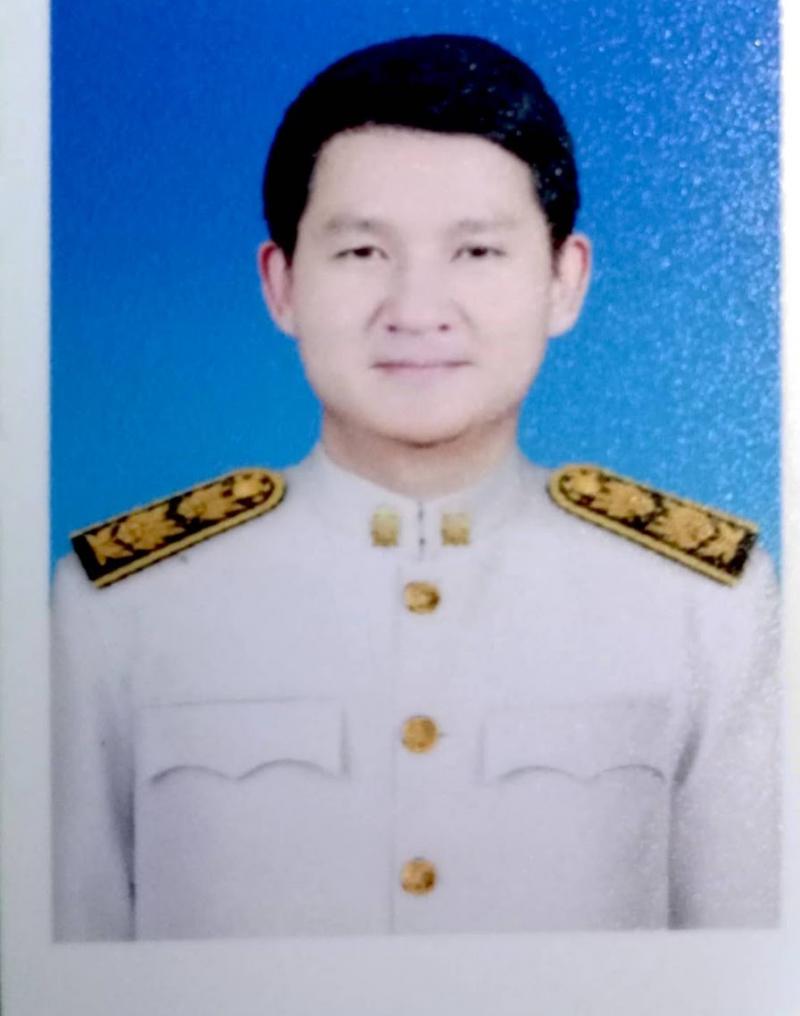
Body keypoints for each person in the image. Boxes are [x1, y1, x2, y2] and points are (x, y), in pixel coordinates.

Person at [51, 34, 780, 941]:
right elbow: (60, 968)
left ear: (565, 281)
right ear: (282, 285)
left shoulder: (704, 606)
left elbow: (746, 973)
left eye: (476, 252)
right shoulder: (120, 607)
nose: (416, 309)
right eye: (362, 252)